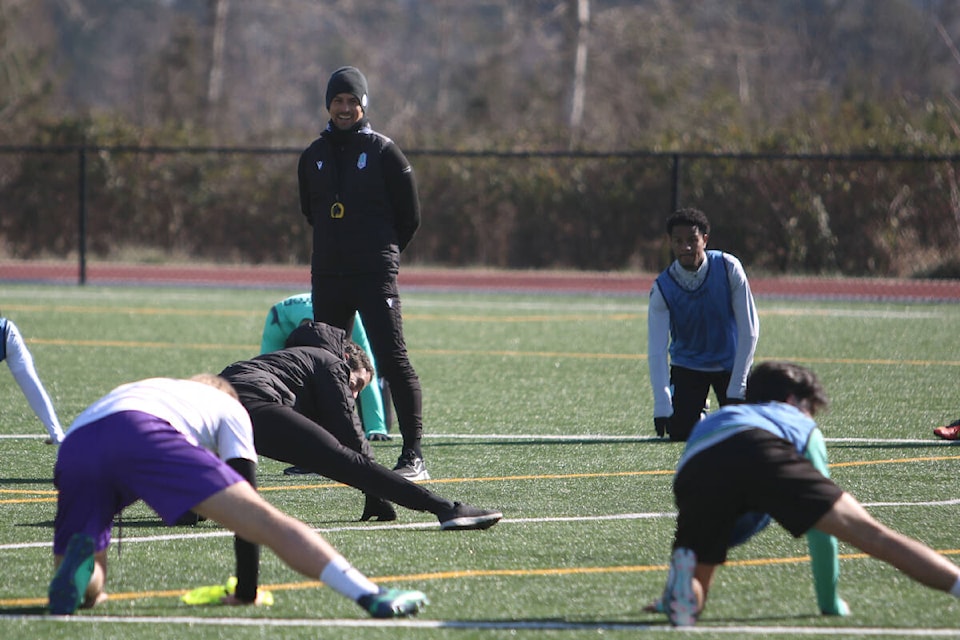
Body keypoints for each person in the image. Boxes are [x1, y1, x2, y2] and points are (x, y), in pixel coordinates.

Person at [48, 374, 428, 617]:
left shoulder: (153, 386)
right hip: (145, 431)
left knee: (90, 587)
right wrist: (247, 591)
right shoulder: (230, 407)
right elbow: (251, 511)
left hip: (78, 443)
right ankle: (368, 593)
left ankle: (81, 575)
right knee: (266, 521)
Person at [647, 361, 960, 627]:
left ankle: (680, 593)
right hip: (762, 450)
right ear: (793, 400)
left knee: (698, 578)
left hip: (696, 468)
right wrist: (829, 603)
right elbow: (822, 535)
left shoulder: (719, 418)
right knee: (875, 536)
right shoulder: (795, 420)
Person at [220, 320, 502, 529]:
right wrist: (376, 493)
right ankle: (446, 509)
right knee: (341, 459)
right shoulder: (331, 363)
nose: (352, 395)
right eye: (354, 385)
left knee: (190, 509)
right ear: (346, 361)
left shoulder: (290, 361)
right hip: (251, 403)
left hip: (211, 405)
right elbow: (353, 445)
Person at [298, 66, 428, 480]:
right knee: (324, 362)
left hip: (373, 275)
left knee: (392, 359)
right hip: (329, 276)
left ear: (363, 104)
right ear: (328, 104)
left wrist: (382, 255)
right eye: (338, 100)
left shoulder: (384, 152)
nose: (344, 108)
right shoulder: (312, 156)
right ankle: (326, 452)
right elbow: (310, 212)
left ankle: (413, 456)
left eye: (352, 101)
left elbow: (410, 216)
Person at [647, 208, 760, 441]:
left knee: (744, 433)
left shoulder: (729, 268)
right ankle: (699, 411)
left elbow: (750, 329)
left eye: (692, 240)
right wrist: (662, 403)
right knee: (679, 432)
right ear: (670, 243)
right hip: (688, 366)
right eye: (678, 241)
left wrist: (738, 385)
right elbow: (656, 349)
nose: (685, 247)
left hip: (730, 365)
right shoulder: (662, 287)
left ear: (705, 240)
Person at [261, 292, 391, 443]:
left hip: (321, 318)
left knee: (359, 374)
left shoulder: (351, 323)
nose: (354, 395)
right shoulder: (278, 321)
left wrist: (376, 427)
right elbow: (268, 373)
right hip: (282, 317)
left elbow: (365, 370)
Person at [1, 314, 65, 444]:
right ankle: (57, 433)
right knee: (32, 385)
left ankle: (57, 434)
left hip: (6, 334)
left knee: (32, 385)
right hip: (7, 332)